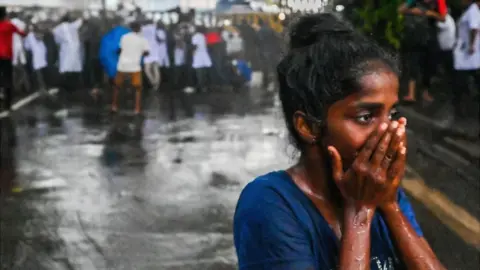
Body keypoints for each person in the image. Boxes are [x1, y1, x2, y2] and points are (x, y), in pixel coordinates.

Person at [233, 13, 446, 270]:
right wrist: (359, 212)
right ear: (309, 127)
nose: (389, 131)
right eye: (366, 116)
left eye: (392, 115)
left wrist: (389, 205)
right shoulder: (270, 204)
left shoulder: (379, 188)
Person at [398, 0, 447, 103]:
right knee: (413, 63)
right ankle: (411, 94)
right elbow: (400, 9)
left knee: (429, 66)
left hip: (430, 37)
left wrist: (429, 13)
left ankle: (425, 92)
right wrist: (412, 11)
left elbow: (443, 18)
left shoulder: (439, 1)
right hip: (415, 36)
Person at [113, 21, 149, 116]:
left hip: (122, 65)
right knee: (137, 88)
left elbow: (119, 50)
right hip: (134, 67)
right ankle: (136, 109)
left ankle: (114, 106)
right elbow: (146, 53)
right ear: (139, 29)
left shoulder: (124, 37)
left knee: (117, 87)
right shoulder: (142, 39)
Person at [452, 0, 480, 119]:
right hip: (467, 53)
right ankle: (461, 107)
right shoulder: (473, 10)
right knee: (464, 79)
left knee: (463, 80)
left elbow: (475, 28)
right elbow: (474, 28)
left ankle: (461, 107)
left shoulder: (474, 10)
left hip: (468, 54)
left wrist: (472, 45)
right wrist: (472, 45)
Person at [0, 6, 26, 113]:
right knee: (8, 80)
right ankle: (7, 105)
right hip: (6, 56)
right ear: (5, 15)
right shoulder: (9, 25)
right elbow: (23, 34)